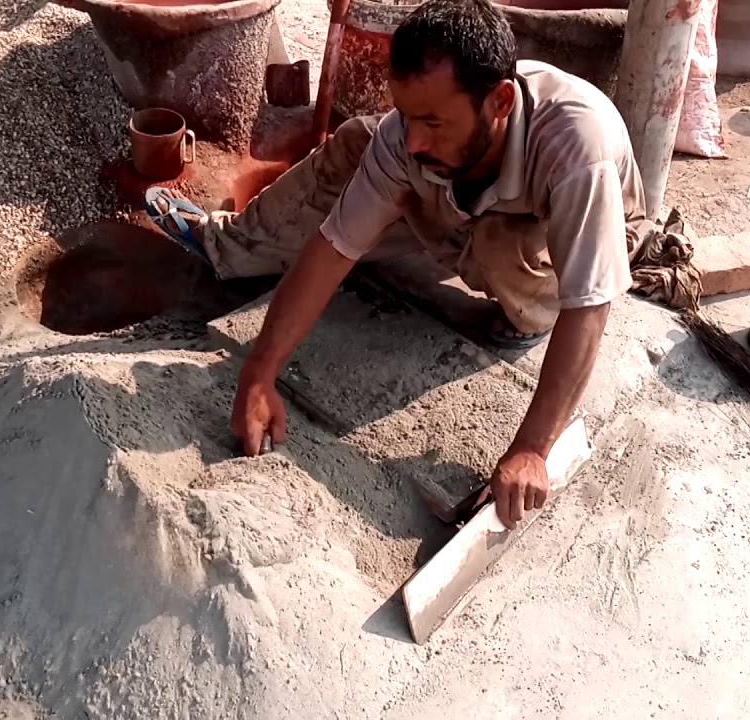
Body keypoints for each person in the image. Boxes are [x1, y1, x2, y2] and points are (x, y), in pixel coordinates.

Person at [146, 0, 650, 529]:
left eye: (433, 121)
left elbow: (590, 304)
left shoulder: (574, 144)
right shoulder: (408, 139)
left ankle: (524, 314)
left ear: (500, 101)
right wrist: (258, 372)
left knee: (498, 241)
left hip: (553, 239)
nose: (413, 140)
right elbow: (333, 248)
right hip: (459, 206)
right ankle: (233, 246)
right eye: (408, 116)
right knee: (362, 141)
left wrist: (531, 450)